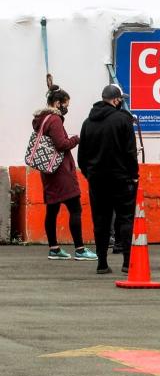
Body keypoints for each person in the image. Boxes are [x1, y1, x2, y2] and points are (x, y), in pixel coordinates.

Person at [78, 84, 139, 275]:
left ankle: (102, 263)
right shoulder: (123, 120)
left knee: (101, 221)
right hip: (121, 179)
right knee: (126, 219)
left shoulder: (88, 122)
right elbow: (130, 153)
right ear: (116, 100)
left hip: (97, 181)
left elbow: (82, 157)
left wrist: (91, 174)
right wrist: (134, 175)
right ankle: (127, 262)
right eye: (121, 99)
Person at [34, 84, 96, 262]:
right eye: (65, 104)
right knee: (75, 208)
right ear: (56, 103)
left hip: (48, 171)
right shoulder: (54, 119)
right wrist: (76, 139)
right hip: (61, 171)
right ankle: (80, 249)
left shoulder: (42, 119)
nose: (66, 108)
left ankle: (54, 249)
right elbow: (61, 144)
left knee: (52, 209)